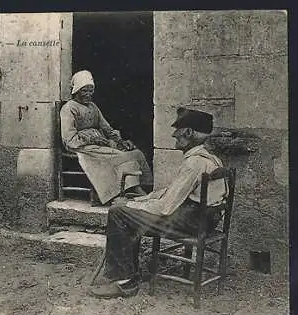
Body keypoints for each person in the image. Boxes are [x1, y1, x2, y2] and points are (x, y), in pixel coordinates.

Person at [89, 107, 227, 298]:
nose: (173, 135)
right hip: (204, 218)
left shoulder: (194, 163)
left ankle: (125, 282)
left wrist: (131, 206)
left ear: (189, 132)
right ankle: (131, 273)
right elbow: (173, 192)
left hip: (192, 221)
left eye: (178, 131)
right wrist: (144, 198)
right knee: (127, 212)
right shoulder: (210, 159)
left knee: (118, 212)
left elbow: (166, 207)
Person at [60, 70, 153, 205]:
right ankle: (123, 190)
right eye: (84, 91)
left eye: (91, 91)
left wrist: (120, 141)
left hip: (98, 143)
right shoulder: (69, 108)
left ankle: (138, 187)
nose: (88, 94)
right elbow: (69, 139)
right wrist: (91, 139)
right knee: (117, 156)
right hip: (80, 147)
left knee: (134, 153)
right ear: (76, 91)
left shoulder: (93, 107)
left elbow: (106, 128)